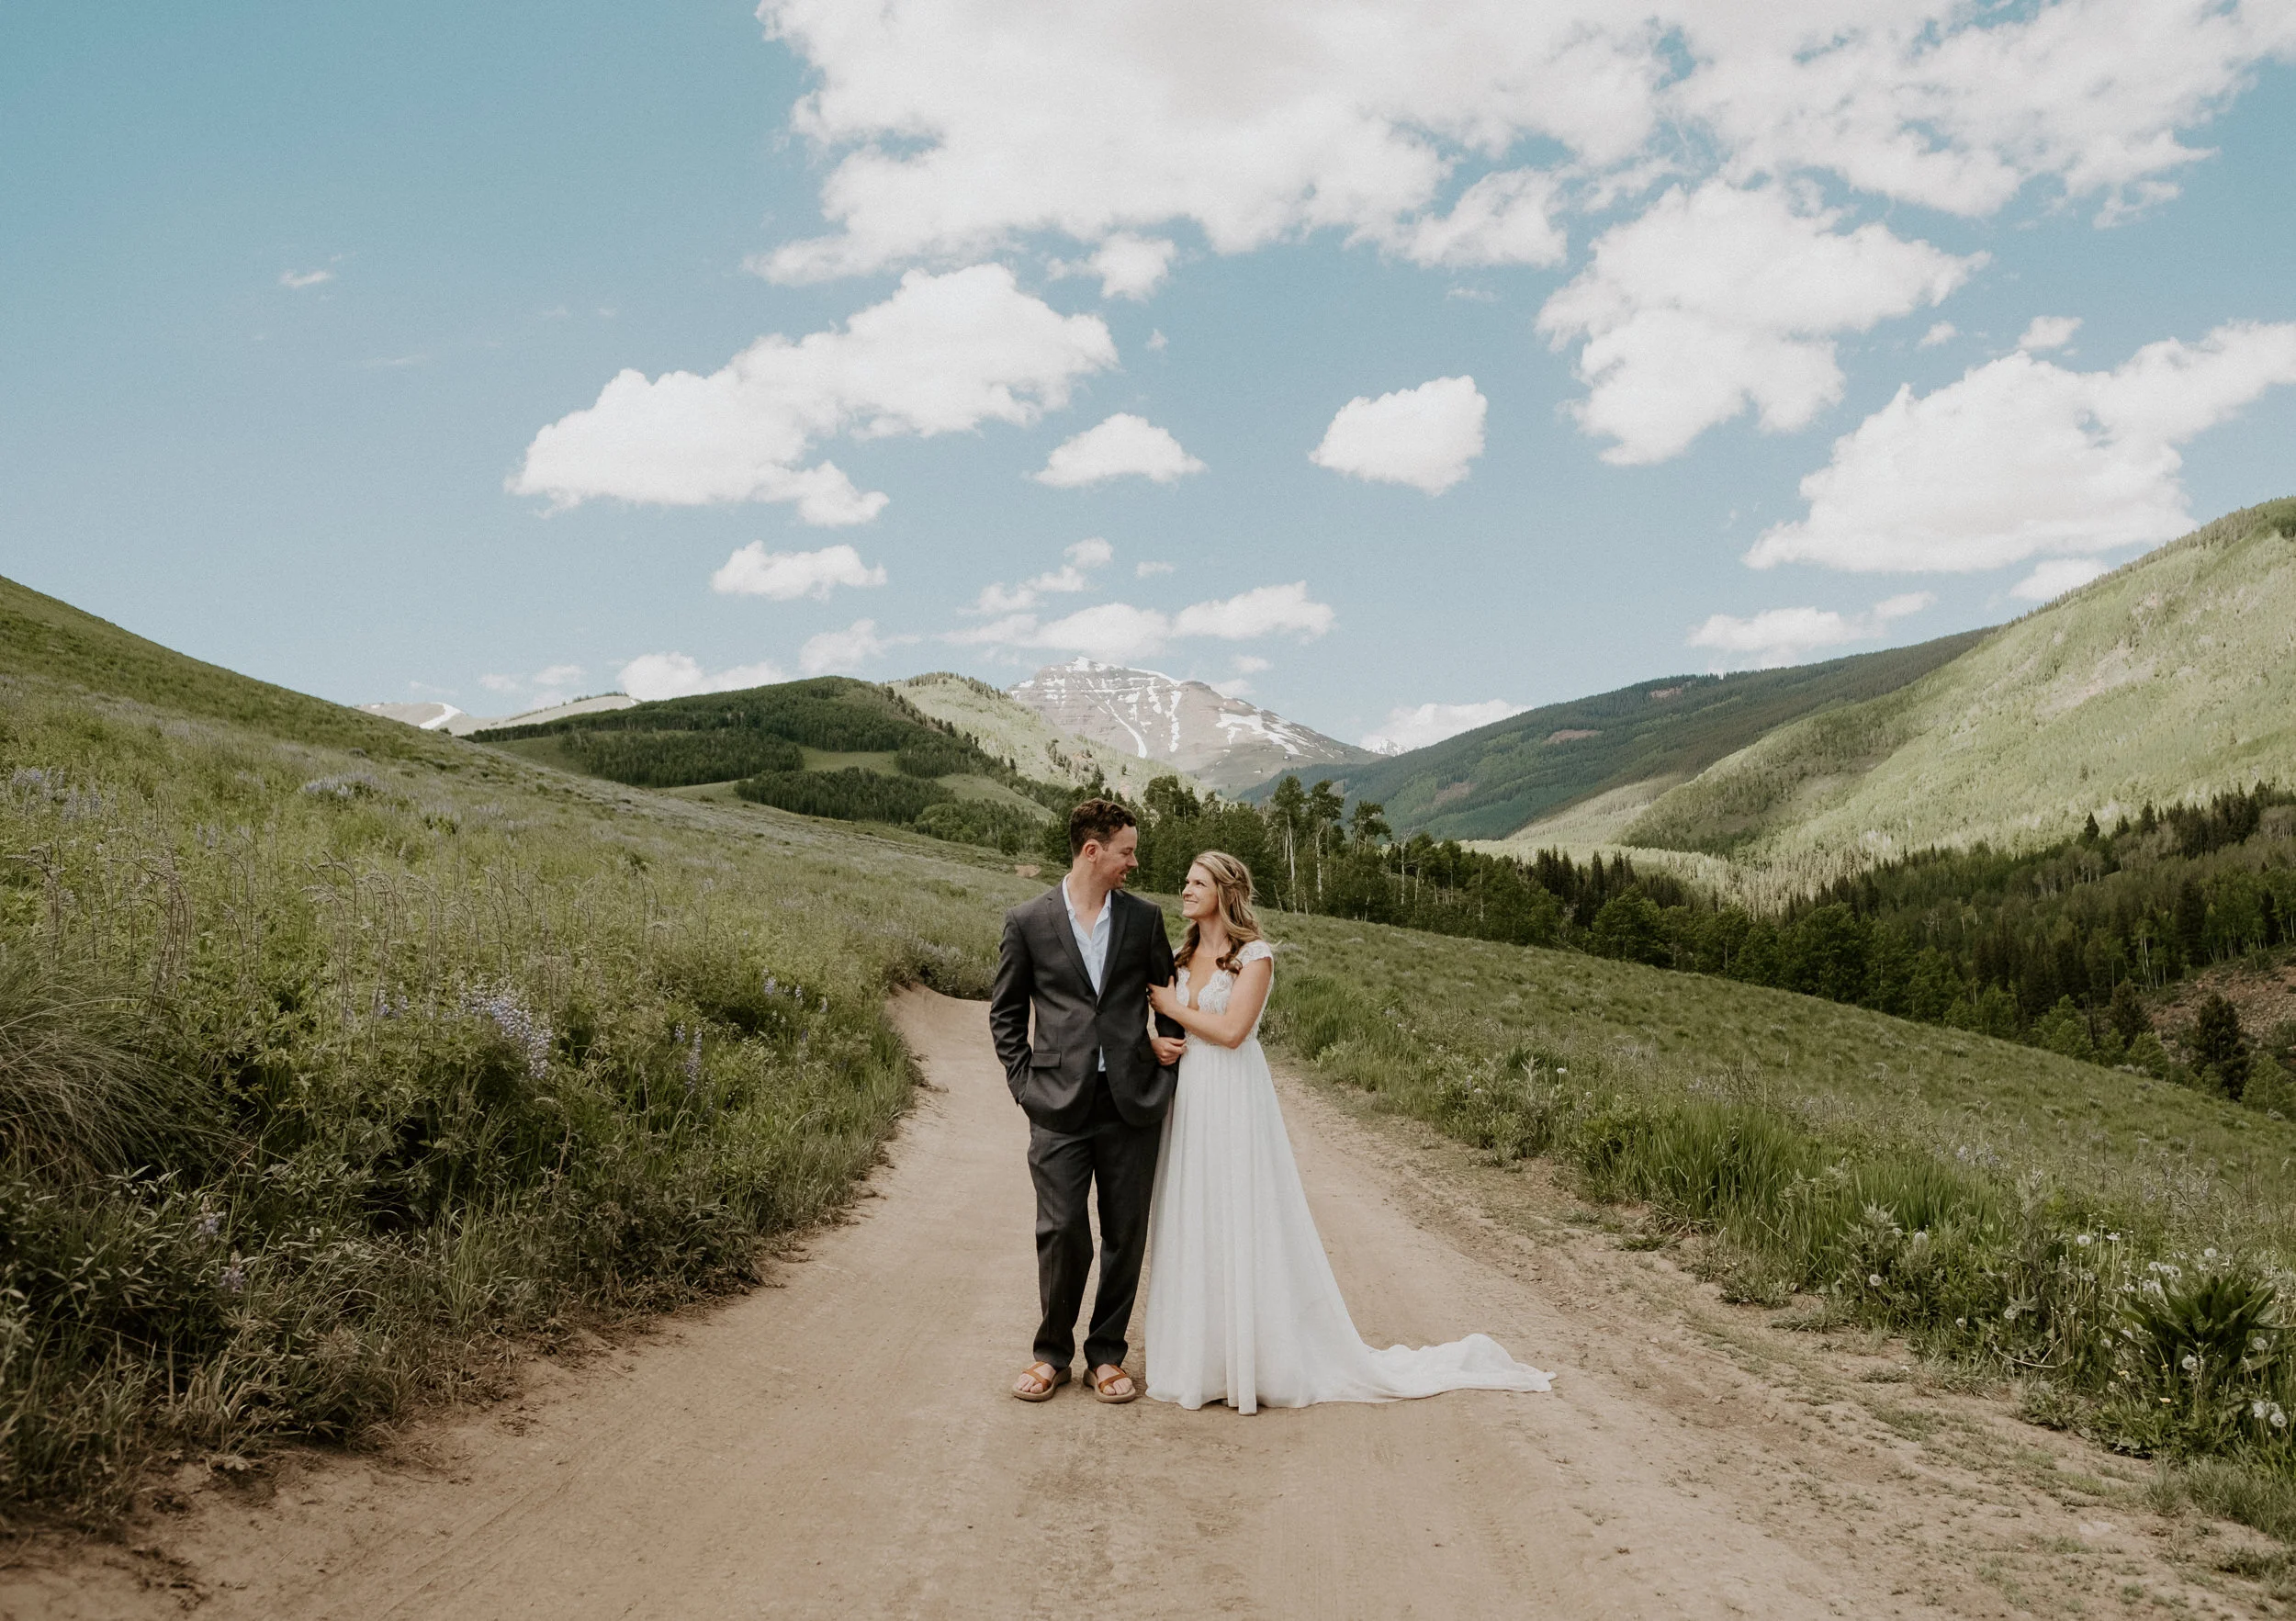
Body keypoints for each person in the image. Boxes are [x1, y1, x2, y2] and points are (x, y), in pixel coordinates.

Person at [1142, 851, 1553, 1413]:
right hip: (1189, 1095)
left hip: (1235, 1094)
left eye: (1196, 882)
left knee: (1242, 1213)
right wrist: (1154, 1039)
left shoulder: (1255, 957)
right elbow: (1158, 1024)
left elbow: (1235, 1031)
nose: (1185, 890)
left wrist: (1172, 1006)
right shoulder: (1179, 955)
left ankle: (1256, 1359)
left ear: (1225, 890)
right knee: (1197, 1212)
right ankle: (1203, 1360)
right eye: (1185, 881)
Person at [988, 798, 1187, 1404]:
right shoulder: (1027, 920)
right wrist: (1026, 1084)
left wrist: (1165, 1054)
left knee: (1125, 1232)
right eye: (1127, 850)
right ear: (1092, 850)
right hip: (1057, 1102)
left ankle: (1106, 1354)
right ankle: (1051, 1352)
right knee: (1063, 1227)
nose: (1135, 860)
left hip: (1130, 1100)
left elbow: (1167, 995)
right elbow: (1005, 1013)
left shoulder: (1144, 918)